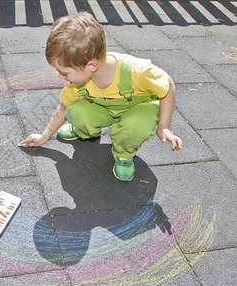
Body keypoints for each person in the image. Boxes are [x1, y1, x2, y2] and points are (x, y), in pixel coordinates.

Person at [20, 11, 182, 181]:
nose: (61, 76)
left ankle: (124, 153)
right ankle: (85, 130)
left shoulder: (137, 71)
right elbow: (63, 107)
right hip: (103, 107)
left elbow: (168, 85)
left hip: (138, 108)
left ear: (91, 65)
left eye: (64, 72)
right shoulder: (79, 81)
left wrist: (164, 125)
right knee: (75, 111)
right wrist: (44, 136)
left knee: (136, 126)